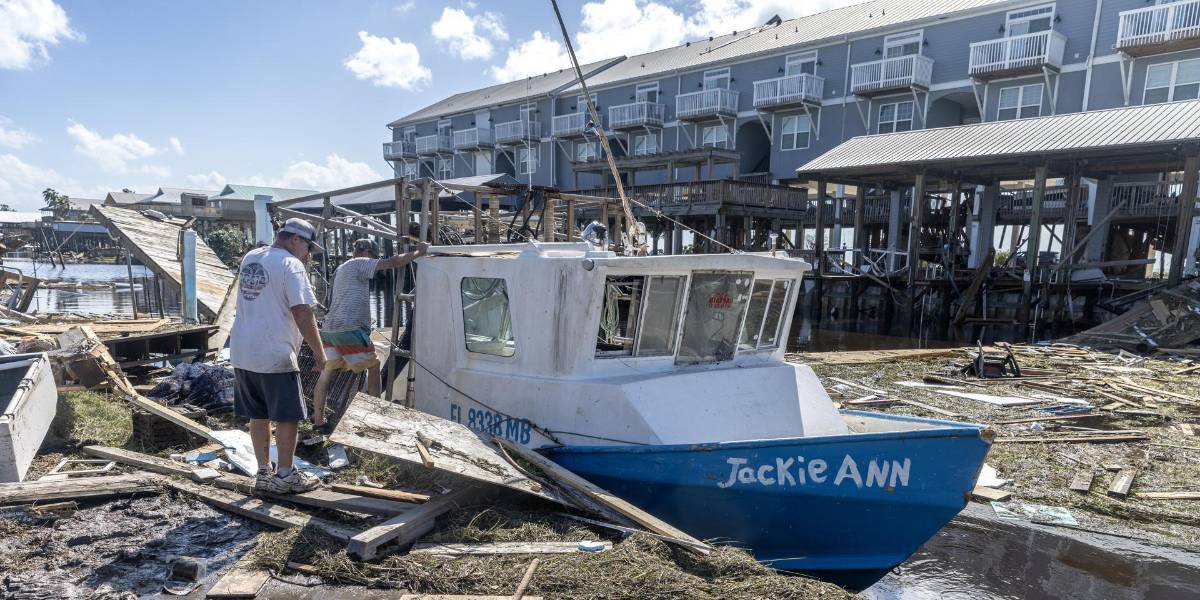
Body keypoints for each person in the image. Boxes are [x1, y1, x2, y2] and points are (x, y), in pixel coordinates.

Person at [229, 218, 327, 494]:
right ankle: (285, 475)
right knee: (287, 416)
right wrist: (319, 352)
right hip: (274, 351)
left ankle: (263, 473)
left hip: (243, 349)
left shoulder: (252, 256)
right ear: (295, 240)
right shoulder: (290, 265)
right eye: (307, 246)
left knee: (257, 413)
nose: (308, 254)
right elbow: (302, 311)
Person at [311, 237, 428, 432]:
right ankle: (374, 418)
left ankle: (318, 422)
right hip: (349, 329)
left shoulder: (342, 268)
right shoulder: (360, 263)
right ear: (367, 253)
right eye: (374, 256)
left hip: (330, 328)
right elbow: (393, 262)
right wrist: (418, 252)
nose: (374, 260)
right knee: (374, 367)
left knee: (325, 375)